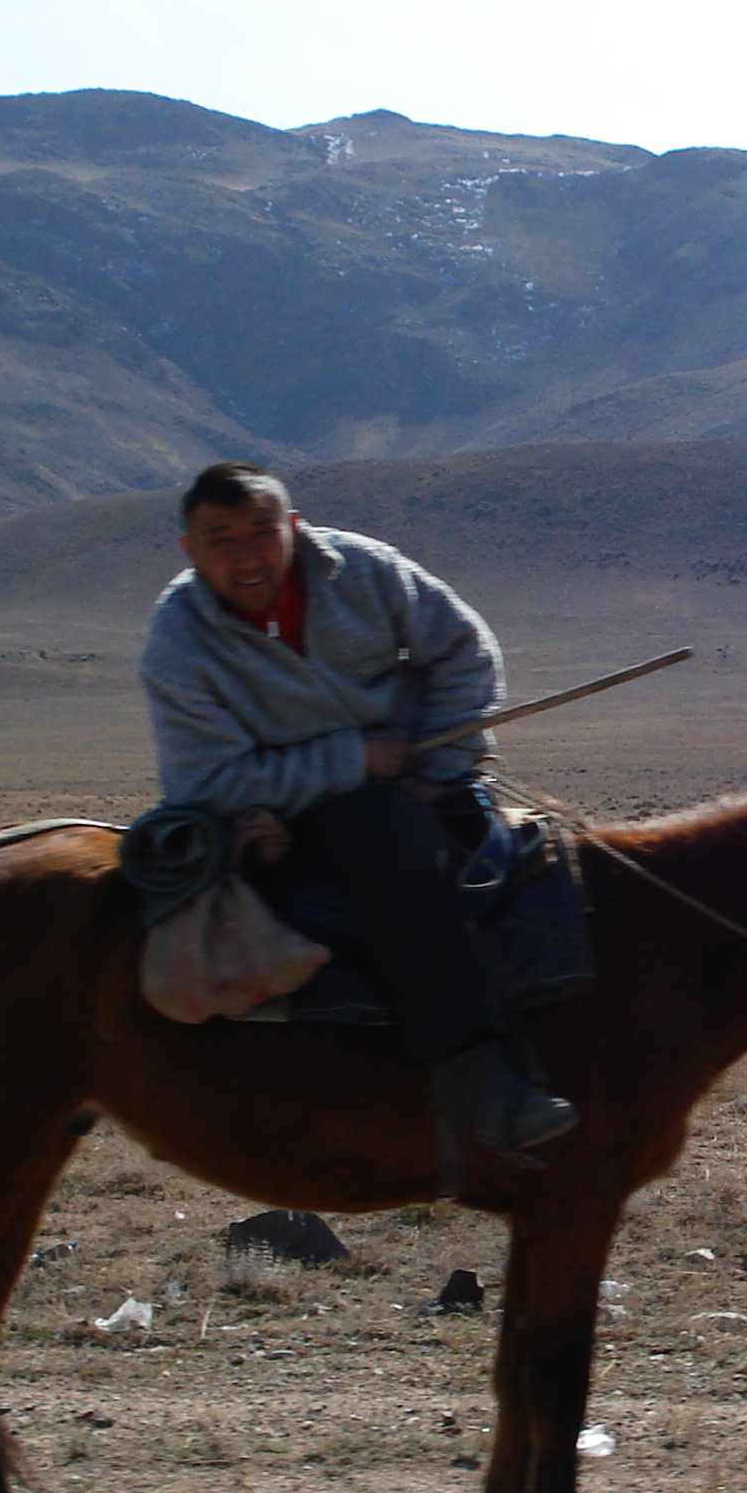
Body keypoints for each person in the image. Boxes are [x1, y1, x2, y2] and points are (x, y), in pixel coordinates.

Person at [139, 460, 577, 1154]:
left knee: (528, 861)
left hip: (415, 763)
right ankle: (477, 1078)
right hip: (281, 800)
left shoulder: (364, 569)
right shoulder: (179, 636)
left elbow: (463, 651)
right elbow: (206, 778)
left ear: (294, 527)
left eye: (261, 532)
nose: (246, 557)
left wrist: (436, 769)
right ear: (189, 552)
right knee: (394, 844)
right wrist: (352, 763)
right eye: (220, 539)